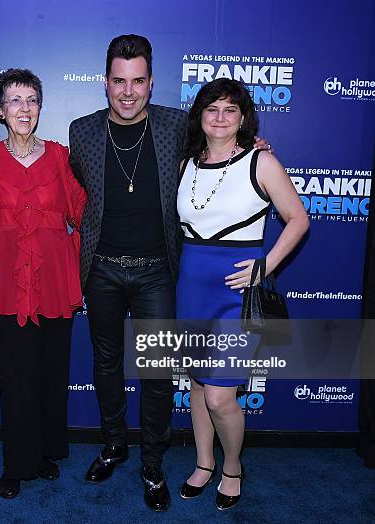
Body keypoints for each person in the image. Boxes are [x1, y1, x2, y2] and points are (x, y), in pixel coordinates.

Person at [69, 34, 272, 512]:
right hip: (100, 270)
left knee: (158, 374)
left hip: (158, 273)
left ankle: (153, 463)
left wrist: (256, 143)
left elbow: (226, 146)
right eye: (118, 81)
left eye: (138, 81)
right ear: (105, 83)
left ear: (151, 82)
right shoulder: (82, 131)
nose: (127, 91)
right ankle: (116, 443)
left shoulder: (177, 124)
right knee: (105, 365)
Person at [176, 78, 309, 510]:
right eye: (212, 108)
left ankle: (232, 466)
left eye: (230, 109)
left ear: (243, 117)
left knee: (220, 394)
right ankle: (203, 463)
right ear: (199, 115)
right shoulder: (184, 163)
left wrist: (264, 266)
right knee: (197, 385)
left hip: (236, 294)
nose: (219, 117)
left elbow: (298, 220)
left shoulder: (261, 161)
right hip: (189, 288)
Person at [0, 69, 86, 499]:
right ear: (0, 110)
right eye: (15, 101)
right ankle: (16, 462)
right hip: (7, 282)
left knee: (49, 372)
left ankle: (44, 451)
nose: (24, 109)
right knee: (16, 373)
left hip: (54, 283)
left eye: (32, 100)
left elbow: (85, 211)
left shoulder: (62, 158)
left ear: (40, 108)